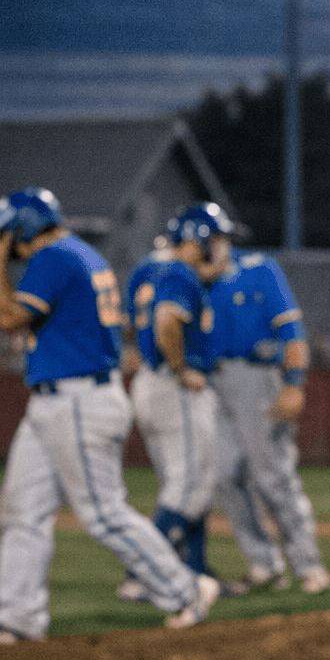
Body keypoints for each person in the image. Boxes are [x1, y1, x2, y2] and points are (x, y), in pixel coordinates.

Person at [0, 188, 216, 645]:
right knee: (22, 511)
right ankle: (18, 619)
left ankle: (186, 590)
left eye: (7, 235)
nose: (5, 245)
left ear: (22, 228)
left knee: (102, 515)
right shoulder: (79, 252)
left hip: (78, 400)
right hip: (57, 399)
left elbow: (7, 316)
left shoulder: (53, 257)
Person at [209, 241, 330, 595]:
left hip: (258, 377)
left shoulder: (258, 269)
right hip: (211, 382)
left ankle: (308, 564)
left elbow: (292, 330)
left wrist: (295, 383)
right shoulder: (193, 278)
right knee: (224, 474)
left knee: (272, 476)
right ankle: (263, 563)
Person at [119, 203, 229, 599]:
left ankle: (194, 571)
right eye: (217, 239)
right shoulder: (179, 272)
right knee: (189, 489)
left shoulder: (148, 267)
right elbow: (167, 322)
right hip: (175, 384)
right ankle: (140, 573)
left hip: (150, 382)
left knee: (182, 485)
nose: (222, 248)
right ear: (199, 240)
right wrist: (182, 368)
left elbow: (135, 323)